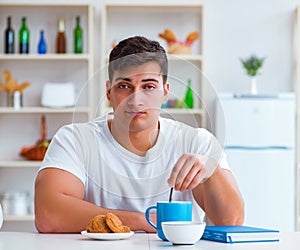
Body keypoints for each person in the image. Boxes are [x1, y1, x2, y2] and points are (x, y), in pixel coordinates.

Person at [34, 36, 244, 233]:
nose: (136, 100)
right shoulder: (75, 139)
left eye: (149, 86)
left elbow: (231, 222)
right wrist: (143, 221)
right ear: (109, 92)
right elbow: (48, 215)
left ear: (165, 91)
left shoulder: (197, 142)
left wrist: (211, 170)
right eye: (124, 86)